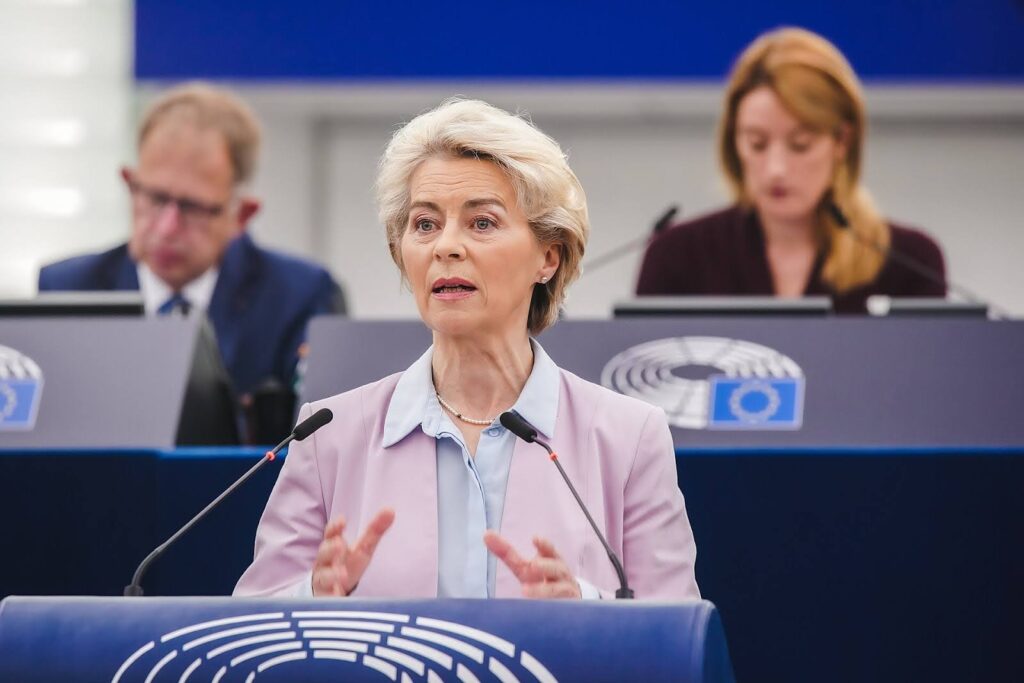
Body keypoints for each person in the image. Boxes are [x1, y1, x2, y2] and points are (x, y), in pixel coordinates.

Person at [234, 99, 699, 600]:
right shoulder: (328, 436)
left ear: (548, 255)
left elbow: (678, 638)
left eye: (481, 223)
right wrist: (313, 598)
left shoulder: (628, 437)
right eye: (425, 224)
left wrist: (587, 611)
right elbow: (254, 631)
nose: (445, 247)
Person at [38, 83, 344, 407]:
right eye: (155, 198)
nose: (167, 228)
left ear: (241, 215)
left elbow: (319, 439)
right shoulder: (68, 289)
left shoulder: (297, 296)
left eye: (193, 208)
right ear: (129, 184)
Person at [636, 27, 946, 314]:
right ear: (734, 141)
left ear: (842, 141)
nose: (776, 170)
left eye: (800, 144)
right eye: (757, 143)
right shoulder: (676, 255)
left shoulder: (910, 263)